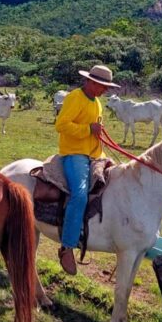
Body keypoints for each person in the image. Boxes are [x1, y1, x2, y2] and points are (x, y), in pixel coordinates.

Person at [54, 64, 120, 275]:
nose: (105, 91)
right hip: (74, 154)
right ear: (90, 82)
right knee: (80, 195)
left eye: (106, 87)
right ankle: (67, 246)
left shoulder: (97, 103)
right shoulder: (75, 97)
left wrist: (96, 133)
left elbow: (94, 129)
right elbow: (61, 125)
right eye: (102, 86)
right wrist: (88, 130)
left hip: (94, 154)